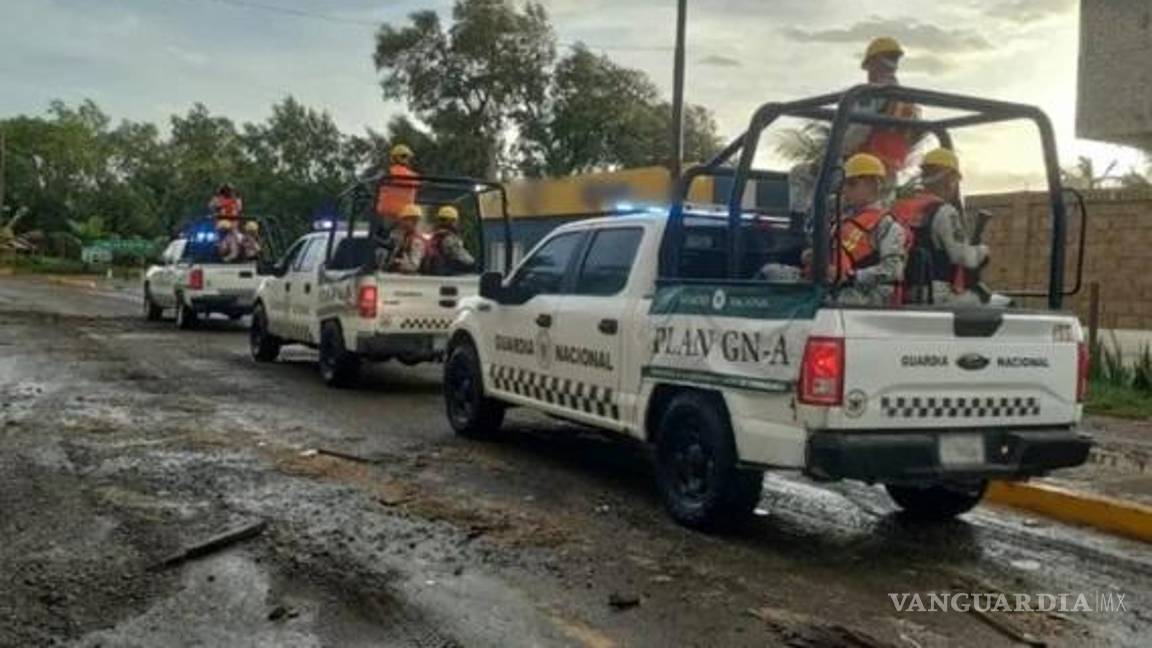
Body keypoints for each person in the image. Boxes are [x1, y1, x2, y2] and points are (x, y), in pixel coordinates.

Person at [788, 36, 922, 217]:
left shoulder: (868, 95)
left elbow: (854, 135)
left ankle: (803, 227)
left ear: (871, 63)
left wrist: (824, 161)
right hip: (888, 175)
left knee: (800, 174)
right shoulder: (908, 101)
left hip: (859, 171)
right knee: (875, 219)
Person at [892, 148, 989, 304]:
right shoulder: (944, 211)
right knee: (984, 302)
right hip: (934, 292)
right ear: (949, 180)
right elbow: (963, 257)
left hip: (900, 291)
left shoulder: (899, 207)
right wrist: (982, 251)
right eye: (954, 181)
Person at [825, 153, 908, 306]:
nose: (844, 190)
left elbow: (894, 270)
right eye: (844, 184)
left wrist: (852, 276)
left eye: (852, 184)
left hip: (868, 295)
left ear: (872, 184)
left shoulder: (887, 225)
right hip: (835, 287)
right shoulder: (842, 219)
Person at [423, 205, 476, 275]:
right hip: (446, 271)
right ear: (451, 221)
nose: (457, 223)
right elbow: (463, 257)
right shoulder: (449, 238)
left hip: (436, 270)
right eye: (456, 221)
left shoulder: (435, 235)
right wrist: (474, 263)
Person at [376, 144, 420, 223]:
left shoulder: (386, 173)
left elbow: (378, 188)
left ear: (393, 158)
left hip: (386, 214)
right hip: (406, 215)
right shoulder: (414, 176)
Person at [383, 203, 425, 274]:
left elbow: (413, 266)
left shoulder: (416, 241)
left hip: (407, 281)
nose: (402, 222)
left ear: (414, 221)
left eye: (405, 219)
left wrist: (397, 262)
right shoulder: (405, 237)